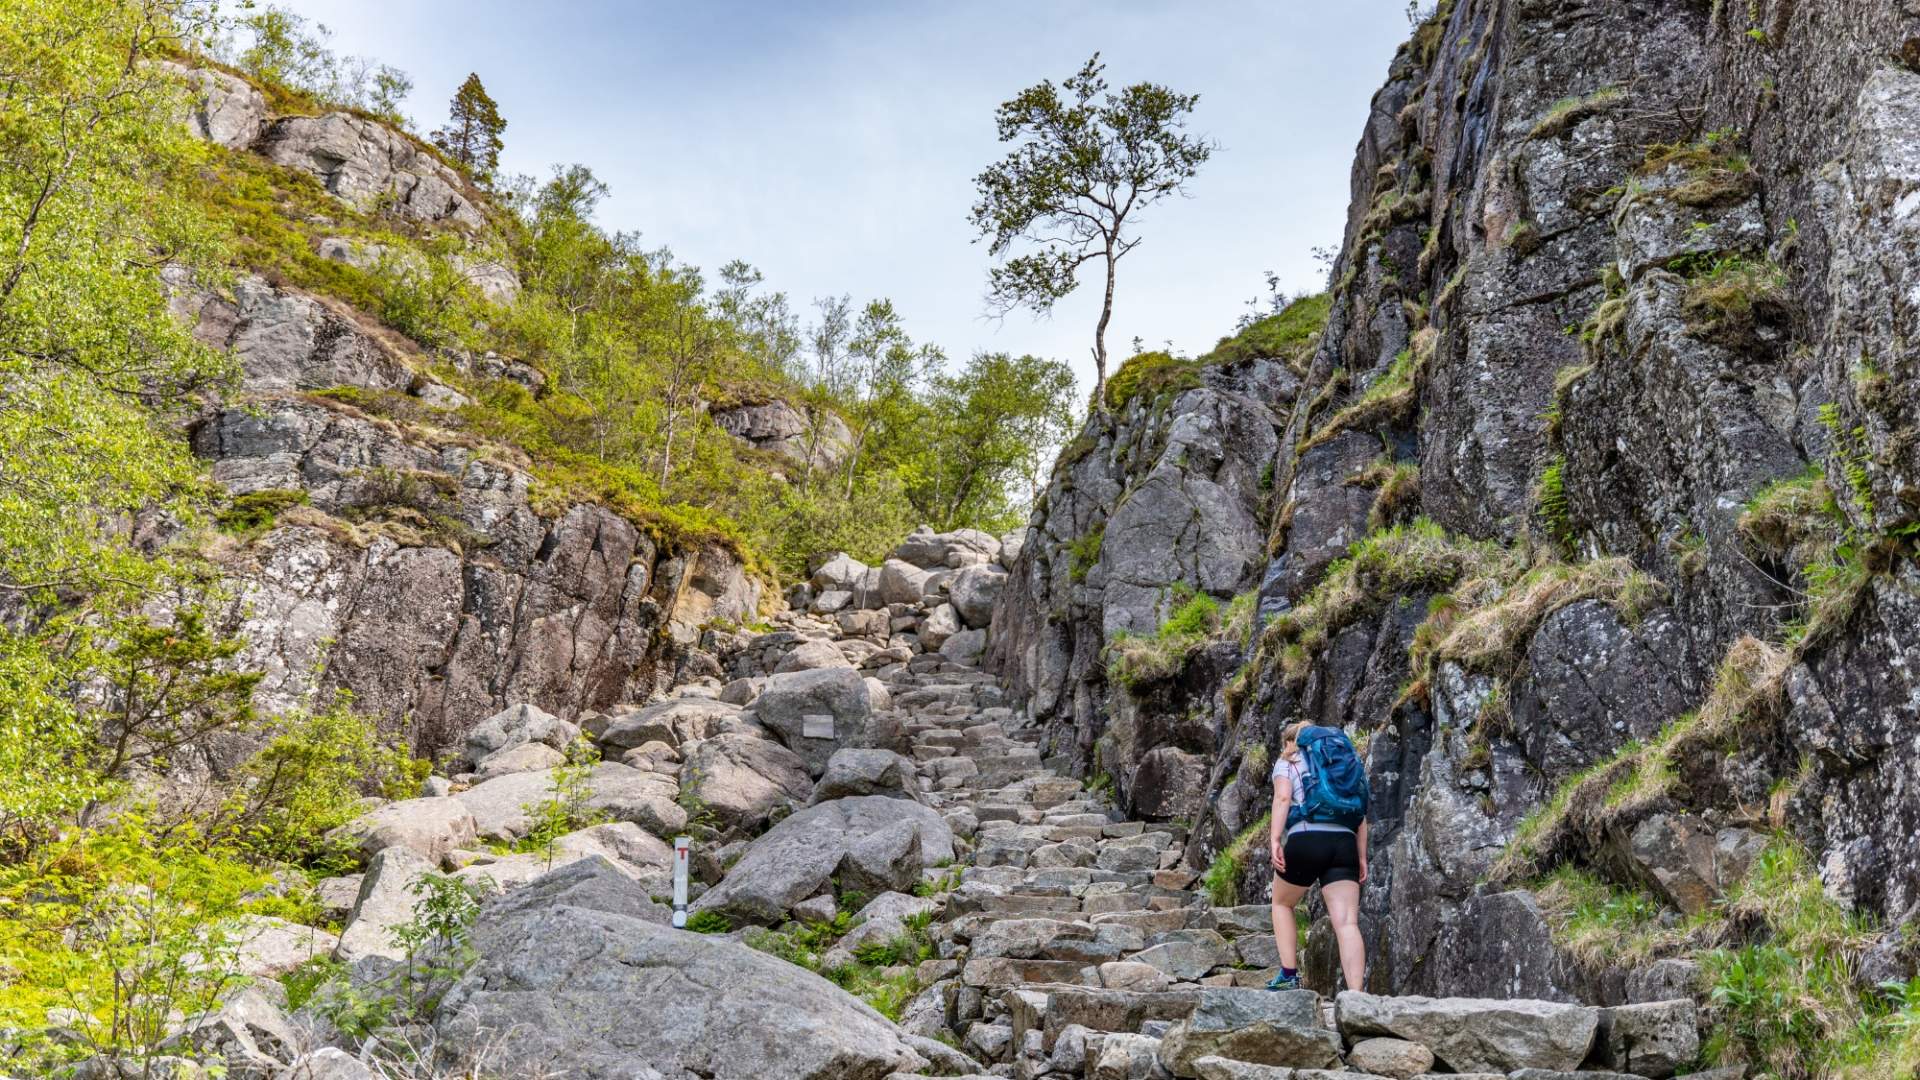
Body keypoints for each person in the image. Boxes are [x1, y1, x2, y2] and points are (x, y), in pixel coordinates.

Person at [1266, 719, 1369, 993]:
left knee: (1282, 903)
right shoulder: (1342, 763)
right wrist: (1361, 857)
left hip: (1307, 837)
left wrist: (1275, 838)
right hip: (1345, 842)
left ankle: (1289, 976)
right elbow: (1360, 813)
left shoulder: (1288, 761)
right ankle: (1357, 996)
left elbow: (1283, 798)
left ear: (1291, 742)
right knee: (1347, 922)